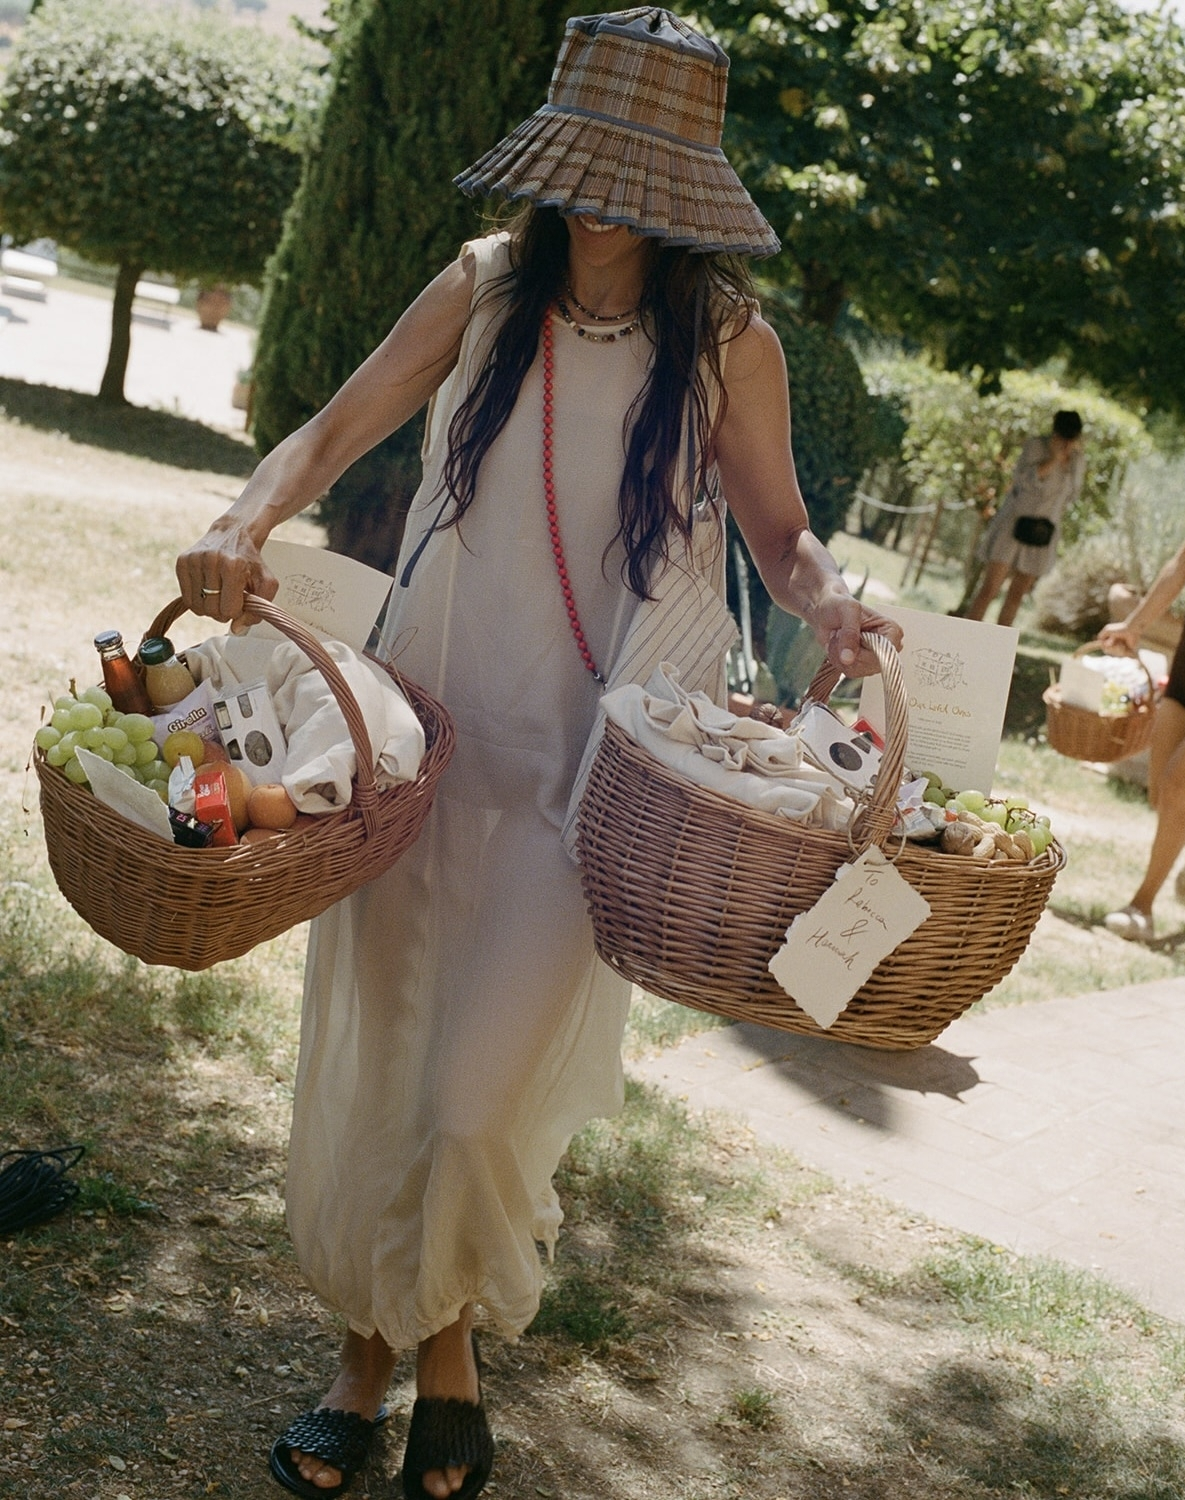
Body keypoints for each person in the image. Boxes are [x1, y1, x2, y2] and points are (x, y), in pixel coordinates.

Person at [175, 11, 901, 1498]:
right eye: (589, 165)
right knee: (391, 1048)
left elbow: (781, 534)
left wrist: (830, 597)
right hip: (424, 733)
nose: (605, 201)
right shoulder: (486, 286)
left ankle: (439, 1338)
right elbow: (331, 432)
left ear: (681, 187)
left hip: (604, 773)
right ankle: (379, 1362)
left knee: (474, 1094)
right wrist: (242, 517)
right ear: (556, 158)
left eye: (638, 175)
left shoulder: (731, 341)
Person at [1099, 510, 1185, 944]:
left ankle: (1142, 908)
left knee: (1177, 786)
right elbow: (1181, 563)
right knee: (1162, 794)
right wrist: (1133, 625)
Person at [964, 409, 1085, 627]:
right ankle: (966, 637)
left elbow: (1072, 495)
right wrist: (1054, 459)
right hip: (1013, 524)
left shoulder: (1077, 459)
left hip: (1042, 531)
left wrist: (1069, 462)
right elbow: (1022, 481)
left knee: (1017, 594)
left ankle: (1001, 644)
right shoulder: (1036, 446)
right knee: (990, 589)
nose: (1067, 442)